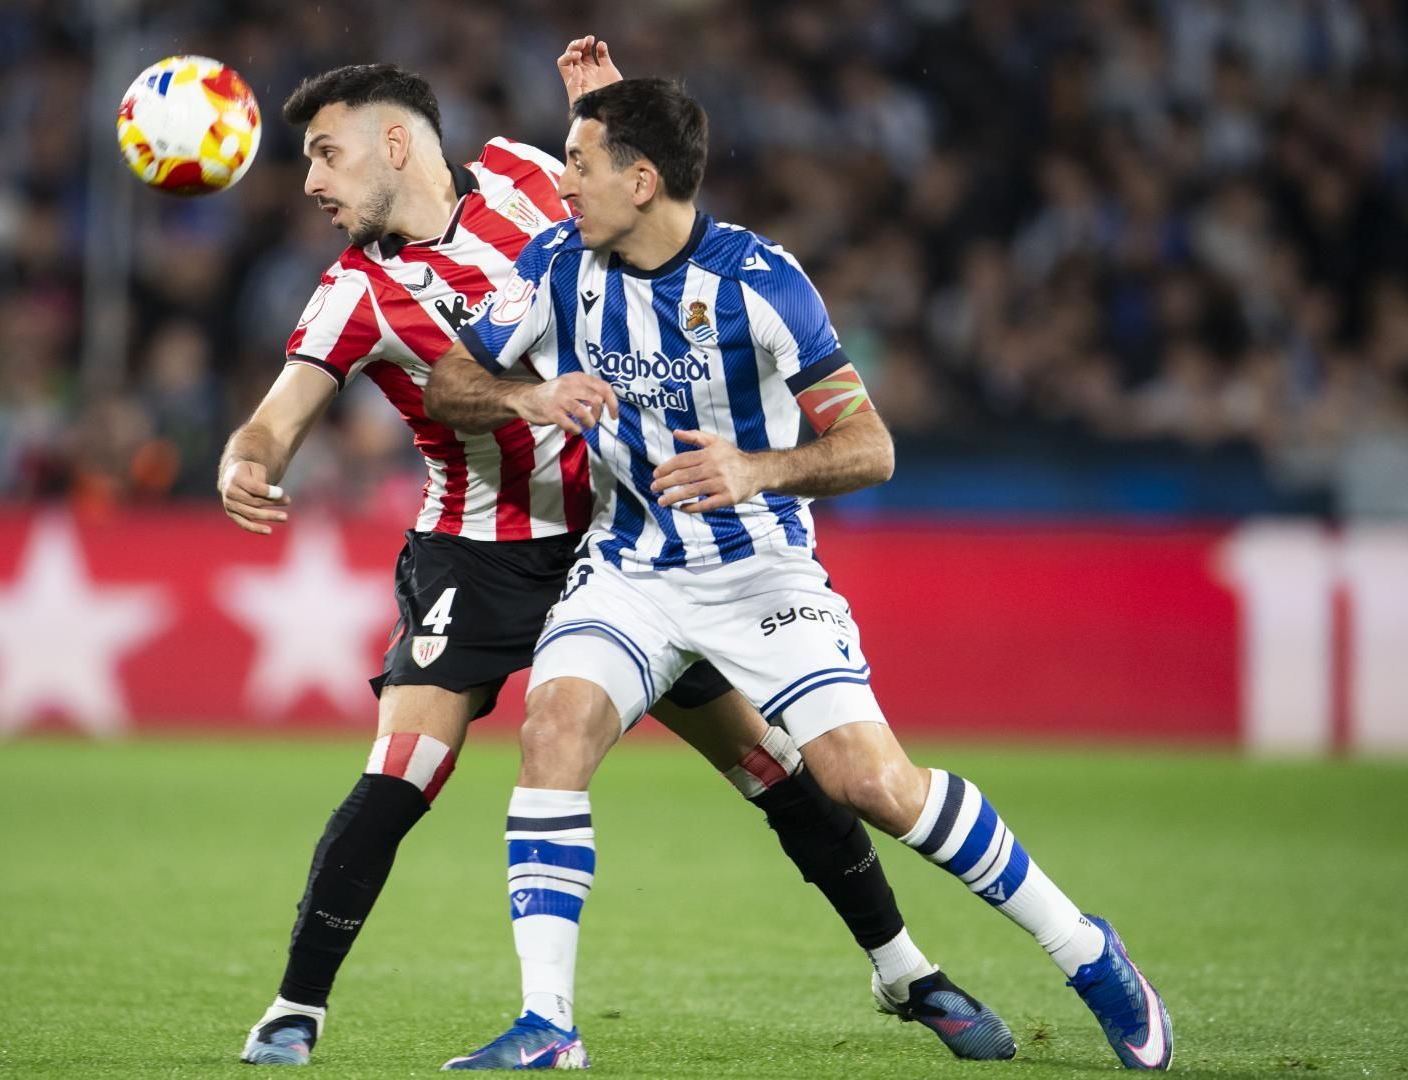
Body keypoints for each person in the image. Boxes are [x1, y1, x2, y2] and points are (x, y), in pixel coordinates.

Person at [221, 48, 1005, 1068]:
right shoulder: (353, 293)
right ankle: (295, 1010)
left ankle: (906, 971)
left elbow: (635, 204)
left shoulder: (514, 171)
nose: (313, 183)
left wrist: (603, 108)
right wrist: (246, 462)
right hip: (476, 552)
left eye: (326, 155)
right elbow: (274, 420)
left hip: (624, 542)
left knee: (771, 764)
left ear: (397, 144)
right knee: (405, 768)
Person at [425, 77, 1174, 1071]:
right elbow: (448, 382)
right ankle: (549, 1024)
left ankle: (1086, 951)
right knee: (553, 729)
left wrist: (755, 469)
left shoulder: (760, 282)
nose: (561, 181)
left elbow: (872, 448)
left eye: (579, 161)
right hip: (632, 568)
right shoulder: (557, 263)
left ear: (641, 181)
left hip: (760, 576)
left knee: (871, 784)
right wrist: (529, 394)